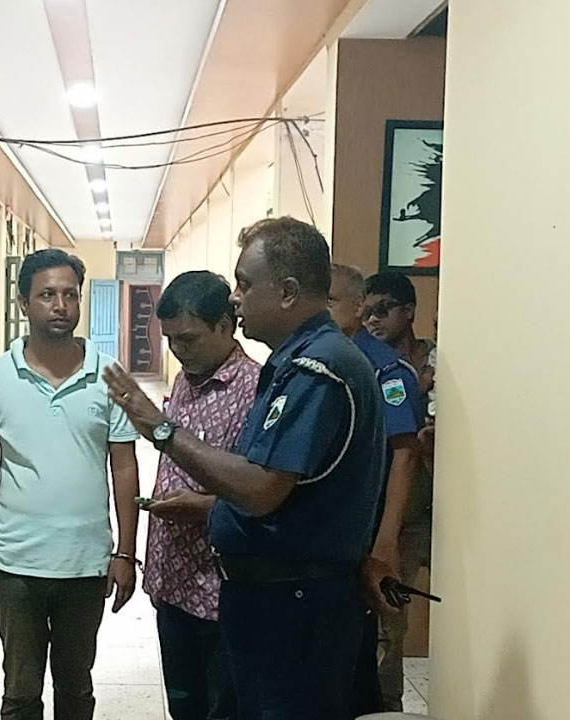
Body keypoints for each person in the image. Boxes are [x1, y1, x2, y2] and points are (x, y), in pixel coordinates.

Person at [105, 217, 386, 720]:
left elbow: (259, 489)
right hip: (270, 598)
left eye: (245, 284)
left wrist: (162, 430)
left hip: (295, 603)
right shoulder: (294, 364)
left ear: (288, 292)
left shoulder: (318, 370)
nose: (235, 299)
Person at [0, 248, 140, 720]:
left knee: (76, 689)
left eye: (70, 295)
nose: (60, 306)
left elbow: (124, 466)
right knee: (20, 691)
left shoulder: (110, 377)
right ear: (23, 303)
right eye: (47, 295)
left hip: (85, 563)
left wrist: (125, 552)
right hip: (16, 563)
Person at [144, 271, 259, 720]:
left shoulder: (256, 390)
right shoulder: (184, 381)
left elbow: (261, 492)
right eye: (170, 339)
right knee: (184, 706)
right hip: (173, 585)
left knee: (223, 709)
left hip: (222, 592)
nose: (178, 349)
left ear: (225, 326)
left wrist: (203, 508)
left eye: (188, 338)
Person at [330, 264, 425, 715]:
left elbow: (404, 454)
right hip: (338, 532)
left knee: (381, 642)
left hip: (377, 529)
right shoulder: (325, 360)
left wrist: (386, 540)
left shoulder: (386, 371)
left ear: (354, 306)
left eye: (330, 301)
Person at [362, 270, 435, 712]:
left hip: (437, 509)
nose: (372, 319)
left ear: (408, 311)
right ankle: (386, 705)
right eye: (366, 311)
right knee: (387, 622)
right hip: (394, 516)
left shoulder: (439, 362)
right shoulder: (368, 366)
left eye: (382, 309)